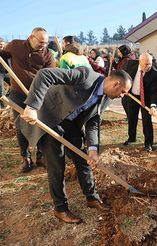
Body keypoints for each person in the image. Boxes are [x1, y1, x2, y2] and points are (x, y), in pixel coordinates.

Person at [18, 67, 132, 224]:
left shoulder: (106, 98)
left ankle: (92, 198)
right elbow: (45, 74)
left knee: (83, 158)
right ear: (116, 84)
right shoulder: (85, 76)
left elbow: (93, 122)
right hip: (50, 118)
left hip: (70, 122)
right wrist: (32, 107)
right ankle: (60, 209)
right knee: (57, 166)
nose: (122, 96)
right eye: (123, 92)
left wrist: (93, 149)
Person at [0, 27, 55, 172]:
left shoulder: (48, 55)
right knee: (20, 126)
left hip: (38, 95)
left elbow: (51, 77)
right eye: (41, 42)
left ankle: (41, 156)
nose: (43, 45)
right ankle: (26, 158)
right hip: (17, 93)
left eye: (45, 43)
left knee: (40, 124)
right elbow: (2, 56)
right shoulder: (15, 45)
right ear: (31, 37)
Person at [122, 52, 157, 151]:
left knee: (147, 121)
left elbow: (153, 92)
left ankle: (148, 143)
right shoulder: (130, 65)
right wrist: (124, 88)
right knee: (131, 118)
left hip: (145, 98)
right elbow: (123, 76)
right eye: (146, 64)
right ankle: (131, 138)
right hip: (132, 96)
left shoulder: (154, 73)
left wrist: (153, 106)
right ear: (140, 62)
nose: (149, 66)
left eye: (150, 63)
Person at [0, 37, 8, 108]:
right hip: (0, 73)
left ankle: (9, 98)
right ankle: (2, 106)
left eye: (2, 44)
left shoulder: (7, 51)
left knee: (15, 86)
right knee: (1, 89)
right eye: (0, 45)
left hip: (8, 72)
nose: (1, 46)